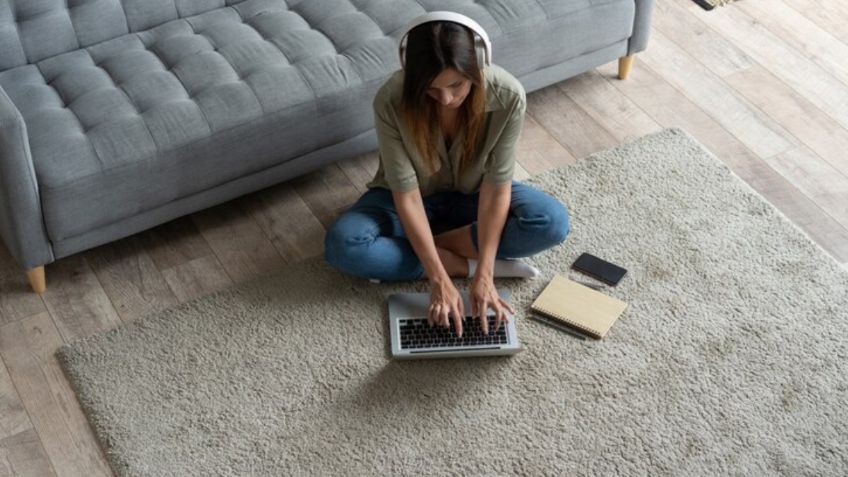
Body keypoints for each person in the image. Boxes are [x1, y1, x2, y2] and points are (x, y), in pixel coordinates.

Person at [325, 12, 570, 338]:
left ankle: (414, 250)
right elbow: (406, 195)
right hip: (408, 198)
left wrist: (484, 276)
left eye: (456, 84)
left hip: (476, 195)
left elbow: (497, 189)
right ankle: (459, 263)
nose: (447, 99)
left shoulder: (508, 96)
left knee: (551, 222)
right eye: (431, 89)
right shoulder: (390, 99)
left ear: (478, 66)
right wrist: (441, 277)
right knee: (343, 246)